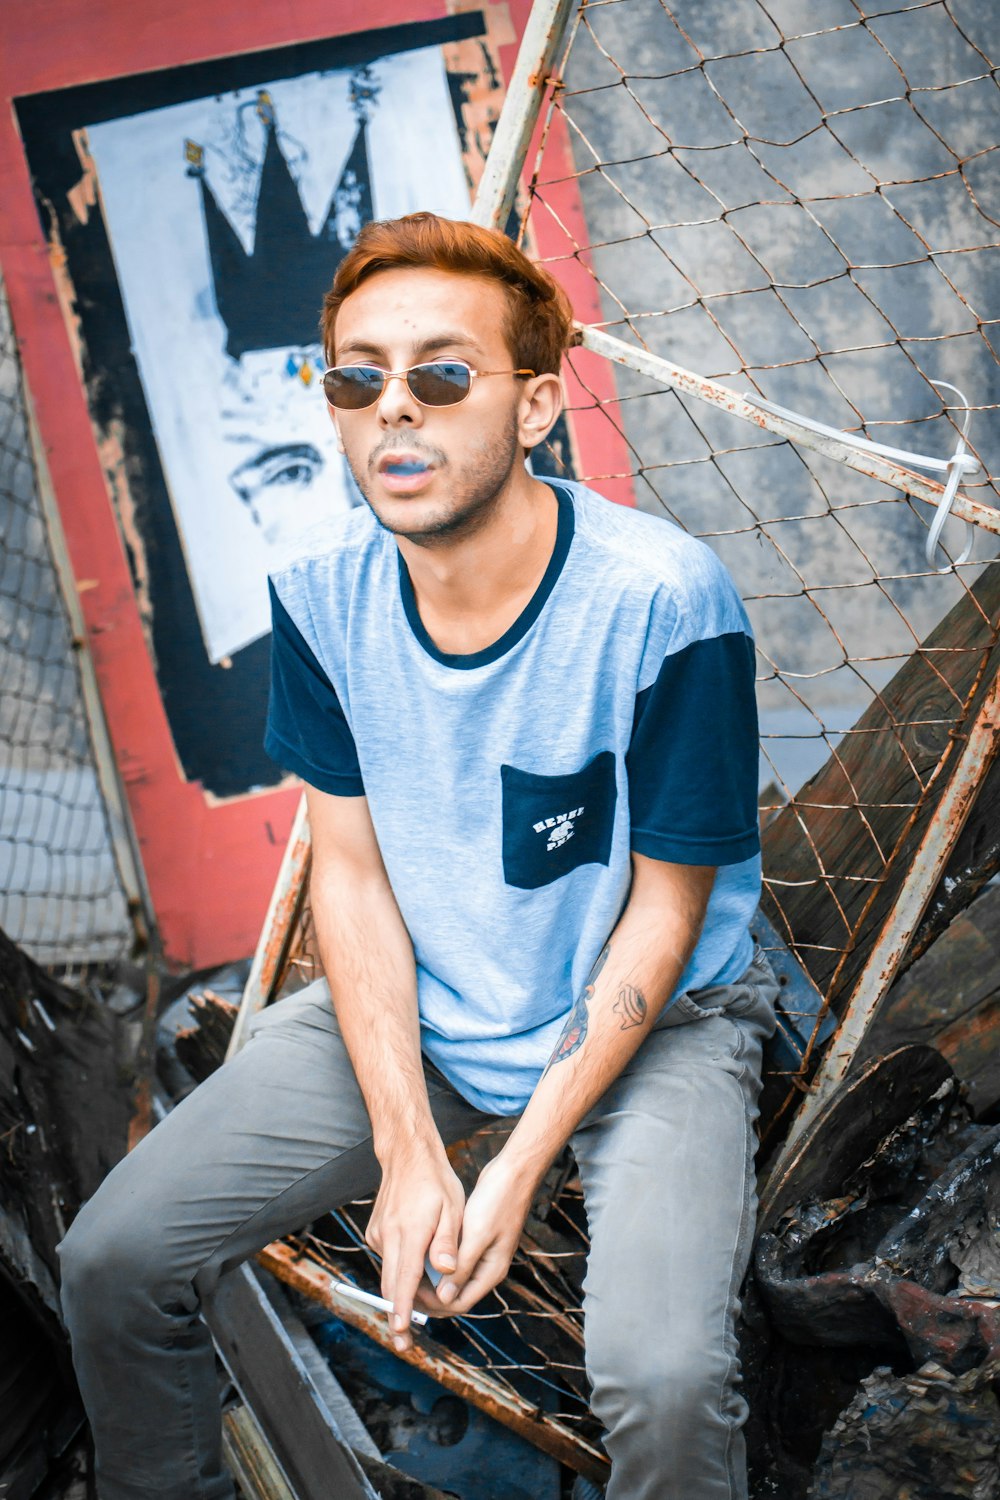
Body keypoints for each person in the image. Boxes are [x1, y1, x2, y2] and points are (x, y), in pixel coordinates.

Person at [58, 212, 777, 1500]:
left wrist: (514, 1163)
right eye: (357, 376)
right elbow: (352, 874)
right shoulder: (323, 590)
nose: (397, 411)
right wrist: (406, 1146)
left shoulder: (663, 598)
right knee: (115, 1258)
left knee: (662, 1383)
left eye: (443, 374)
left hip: (654, 1017)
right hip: (424, 1000)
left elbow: (668, 917)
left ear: (537, 405)